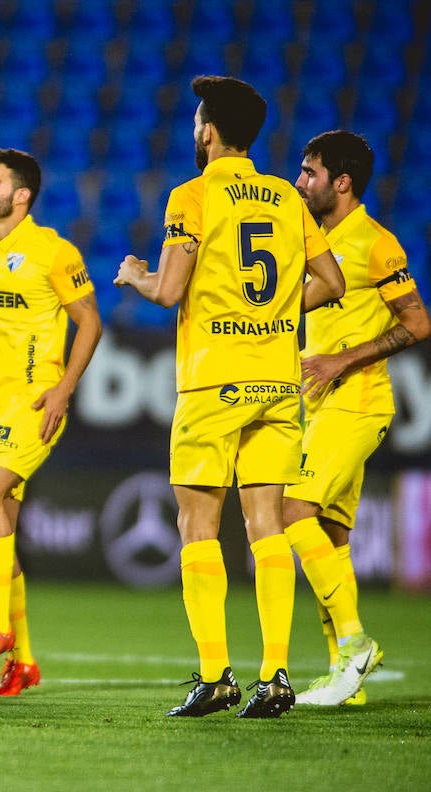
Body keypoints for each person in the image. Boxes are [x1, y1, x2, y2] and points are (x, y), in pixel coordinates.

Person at [114, 76, 345, 718]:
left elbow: (167, 290)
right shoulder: (286, 198)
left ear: (208, 131)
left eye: (196, 122)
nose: (195, 131)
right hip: (276, 379)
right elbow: (333, 281)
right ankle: (275, 675)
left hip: (214, 379)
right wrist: (269, 310)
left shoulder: (192, 195)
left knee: (198, 525)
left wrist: (136, 275)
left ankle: (216, 674)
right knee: (267, 528)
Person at [0, 147, 102, 697]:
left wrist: (63, 388)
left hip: (33, 403)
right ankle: (24, 661)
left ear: (21, 195)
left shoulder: (53, 251)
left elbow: (89, 322)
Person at [282, 130, 429, 706]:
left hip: (359, 401)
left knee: (293, 511)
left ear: (341, 182)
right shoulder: (312, 239)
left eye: (309, 172)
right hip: (318, 405)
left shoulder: (375, 243)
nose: (300, 182)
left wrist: (343, 357)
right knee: (333, 538)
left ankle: (355, 642)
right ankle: (346, 676)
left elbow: (418, 324)